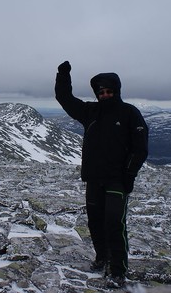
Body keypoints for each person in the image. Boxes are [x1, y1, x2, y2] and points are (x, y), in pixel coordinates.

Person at [55, 60, 148, 287]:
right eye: (101, 92)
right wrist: (63, 75)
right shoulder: (90, 112)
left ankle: (118, 271)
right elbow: (65, 99)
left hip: (117, 179)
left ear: (116, 91)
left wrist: (129, 175)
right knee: (95, 222)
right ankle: (102, 257)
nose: (104, 95)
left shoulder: (129, 113)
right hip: (94, 179)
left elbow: (141, 148)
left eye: (108, 91)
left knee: (114, 223)